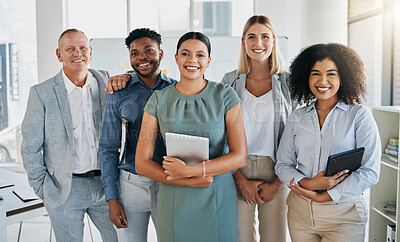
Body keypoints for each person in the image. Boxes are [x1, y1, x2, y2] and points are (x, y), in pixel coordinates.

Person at [135, 31, 247, 242]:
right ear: (176, 57)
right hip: (174, 195)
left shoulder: (225, 96)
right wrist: (186, 180)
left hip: (216, 192)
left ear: (208, 61)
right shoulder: (158, 99)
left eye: (200, 55)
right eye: (185, 53)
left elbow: (239, 156)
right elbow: (141, 163)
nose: (192, 60)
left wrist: (190, 171)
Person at [275, 43, 381, 242]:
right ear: (306, 76)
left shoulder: (359, 116)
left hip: (344, 215)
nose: (322, 81)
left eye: (331, 73)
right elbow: (282, 164)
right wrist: (308, 183)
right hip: (300, 214)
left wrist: (328, 194)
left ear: (344, 77)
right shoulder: (297, 117)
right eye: (315, 73)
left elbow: (370, 171)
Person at [21, 29, 118, 241]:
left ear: (90, 52)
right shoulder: (41, 93)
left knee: (122, 238)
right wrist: (45, 189)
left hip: (106, 186)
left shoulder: (107, 82)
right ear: (59, 54)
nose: (78, 53)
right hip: (65, 190)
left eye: (83, 48)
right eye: (70, 49)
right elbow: (30, 148)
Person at [99, 28, 177, 241]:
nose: (142, 57)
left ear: (161, 53)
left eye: (148, 50)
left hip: (168, 183)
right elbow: (107, 148)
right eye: (134, 53)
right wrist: (112, 198)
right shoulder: (119, 93)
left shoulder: (177, 90)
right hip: (131, 185)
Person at [221, 15, 293, 242]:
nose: (258, 43)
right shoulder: (230, 81)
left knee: (274, 238)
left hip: (276, 170)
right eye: (251, 36)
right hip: (237, 168)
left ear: (273, 41)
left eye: (265, 36)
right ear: (243, 41)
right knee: (241, 238)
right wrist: (240, 179)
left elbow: (297, 136)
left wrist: (278, 184)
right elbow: (220, 133)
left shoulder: (288, 82)